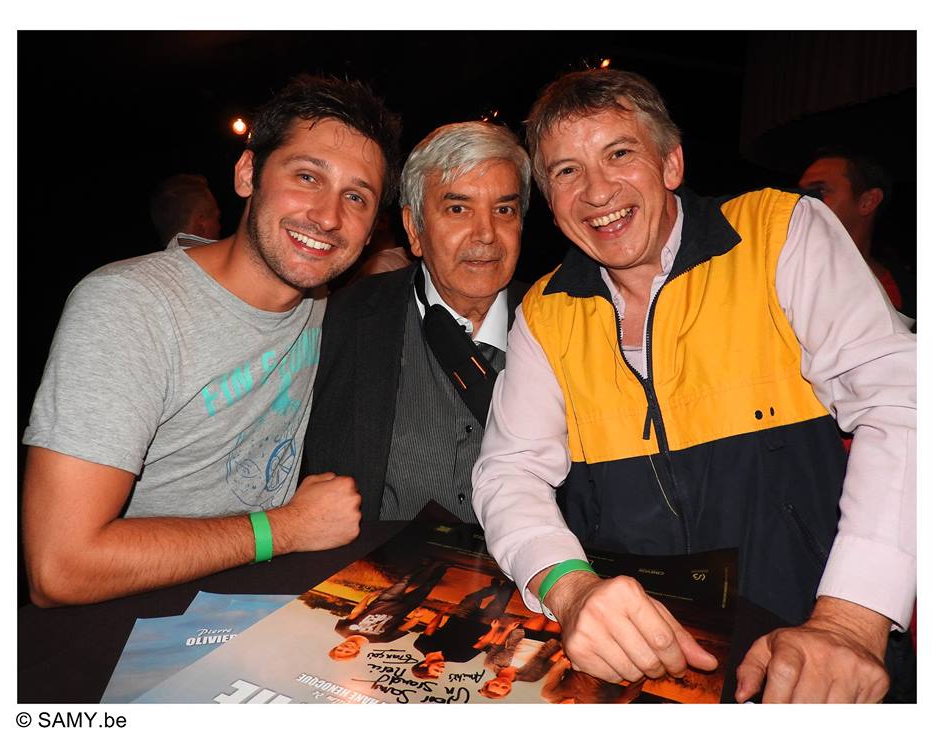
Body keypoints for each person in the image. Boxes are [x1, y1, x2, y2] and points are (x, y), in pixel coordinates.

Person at [472, 68, 915, 703]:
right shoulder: (544, 310)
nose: (596, 191)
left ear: (671, 163)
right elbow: (509, 469)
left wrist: (851, 619)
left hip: (809, 637)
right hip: (645, 659)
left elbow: (904, 402)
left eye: (619, 153)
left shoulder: (778, 231)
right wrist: (570, 589)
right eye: (566, 171)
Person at [22, 74, 403, 607]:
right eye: (307, 176)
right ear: (249, 173)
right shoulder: (130, 308)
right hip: (126, 615)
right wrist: (286, 528)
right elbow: (59, 568)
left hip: (255, 602)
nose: (328, 216)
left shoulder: (320, 301)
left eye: (356, 197)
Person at [303, 121, 531, 522]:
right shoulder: (342, 321)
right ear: (414, 228)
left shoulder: (560, 324)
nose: (487, 234)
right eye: (457, 208)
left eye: (504, 210)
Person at [798, 147, 913, 318]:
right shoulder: (781, 278)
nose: (802, 201)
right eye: (801, 192)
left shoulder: (911, 292)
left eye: (820, 191)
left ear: (868, 202)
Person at [329, 560, 449, 653]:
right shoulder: (382, 639)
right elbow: (403, 627)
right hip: (405, 607)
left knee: (405, 581)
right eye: (348, 652)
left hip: (383, 601)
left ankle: (424, 564)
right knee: (426, 588)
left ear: (337, 646)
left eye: (340, 650)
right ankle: (442, 568)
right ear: (357, 652)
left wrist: (367, 597)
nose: (345, 648)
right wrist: (416, 618)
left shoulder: (341, 630)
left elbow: (355, 613)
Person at [149, 173, 222, 247]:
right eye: (217, 219)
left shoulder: (145, 258)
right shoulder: (221, 256)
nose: (219, 227)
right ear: (201, 223)